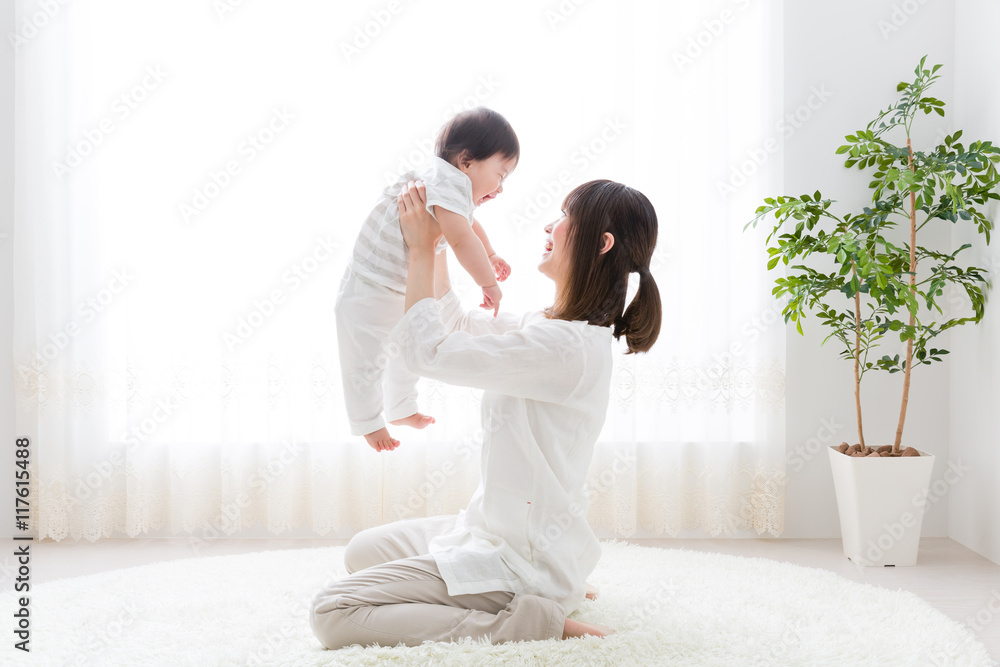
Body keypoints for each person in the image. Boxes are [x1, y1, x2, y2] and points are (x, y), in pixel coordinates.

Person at [310, 178, 661, 649]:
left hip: (518, 561)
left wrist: (418, 253)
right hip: (491, 528)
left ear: (601, 243)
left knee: (333, 613)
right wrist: (435, 242)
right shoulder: (552, 329)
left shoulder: (566, 349)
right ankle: (560, 582)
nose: (550, 225)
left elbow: (427, 353)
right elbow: (455, 324)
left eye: (563, 218)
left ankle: (531, 617)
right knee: (363, 553)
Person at [336, 107, 519, 453]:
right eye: (501, 173)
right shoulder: (443, 182)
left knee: (410, 345)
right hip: (369, 289)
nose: (501, 187)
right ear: (467, 161)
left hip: (398, 287)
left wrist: (491, 254)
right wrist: (488, 283)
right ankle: (368, 422)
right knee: (364, 359)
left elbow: (468, 226)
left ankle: (401, 407)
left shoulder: (451, 187)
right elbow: (463, 240)